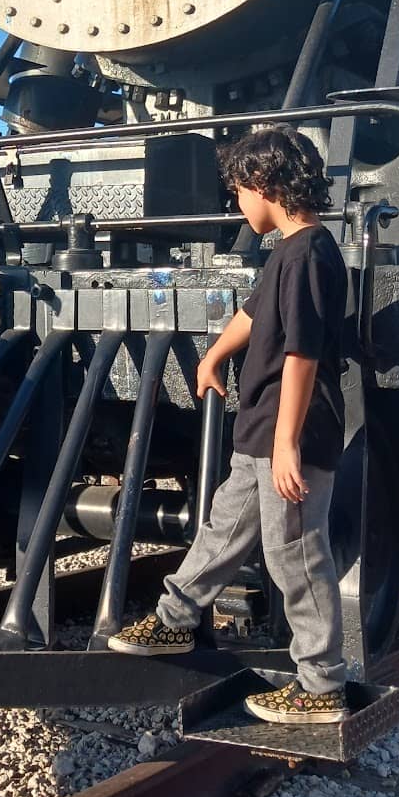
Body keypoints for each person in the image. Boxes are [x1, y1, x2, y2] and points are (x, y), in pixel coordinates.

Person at [109, 125, 350, 726]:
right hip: (261, 429)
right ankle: (176, 621)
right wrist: (215, 355)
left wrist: (288, 443)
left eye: (241, 190)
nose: (237, 203)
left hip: (291, 431)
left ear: (266, 185)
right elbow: (253, 314)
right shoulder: (286, 253)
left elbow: (303, 352)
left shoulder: (312, 254)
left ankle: (322, 684)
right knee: (222, 531)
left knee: (294, 553)